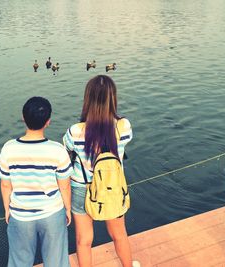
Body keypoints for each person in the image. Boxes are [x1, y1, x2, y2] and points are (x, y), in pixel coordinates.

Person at [63, 75, 138, 267]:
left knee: (83, 240)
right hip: (111, 186)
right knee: (119, 235)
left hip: (81, 188)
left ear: (87, 99)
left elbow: (67, 151)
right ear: (113, 98)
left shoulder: (75, 131)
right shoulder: (124, 126)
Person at [0, 96, 73, 267]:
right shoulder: (57, 150)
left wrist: (7, 209)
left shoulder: (9, 148)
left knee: (20, 261)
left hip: (20, 214)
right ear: (48, 122)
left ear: (23, 118)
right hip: (52, 212)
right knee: (56, 261)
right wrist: (67, 208)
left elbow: (5, 184)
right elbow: (65, 185)